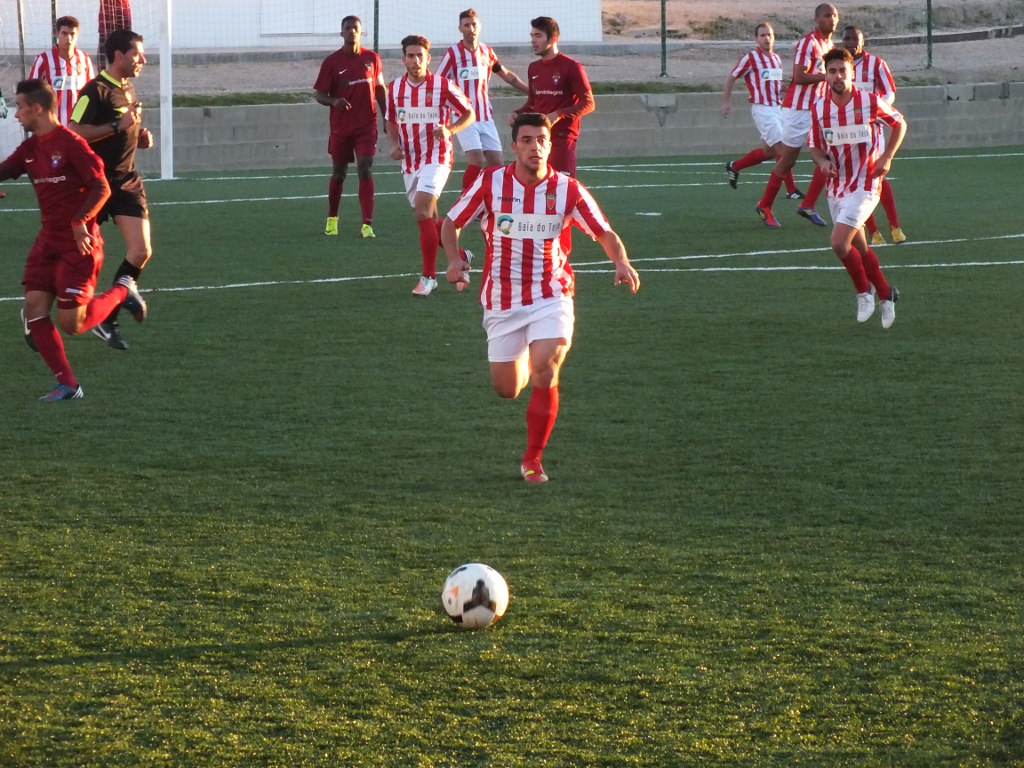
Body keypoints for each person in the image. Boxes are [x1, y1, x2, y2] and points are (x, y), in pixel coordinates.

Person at [440, 113, 640, 483]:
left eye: (542, 140)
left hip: (552, 293)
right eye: (527, 140)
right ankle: (522, 363)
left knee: (546, 368)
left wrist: (621, 261)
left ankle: (533, 459)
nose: (535, 147)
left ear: (550, 145)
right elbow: (451, 222)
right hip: (502, 299)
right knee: (506, 389)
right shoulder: (491, 183)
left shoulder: (568, 189)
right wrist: (453, 259)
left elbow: (603, 231)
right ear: (514, 146)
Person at [1, 79, 146, 401]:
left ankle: (123, 291)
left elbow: (101, 187)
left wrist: (81, 221)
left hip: (80, 245)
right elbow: (4, 169)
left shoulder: (71, 144)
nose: (16, 114)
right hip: (47, 242)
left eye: (20, 107)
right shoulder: (29, 149)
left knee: (72, 324)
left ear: (37, 109)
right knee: (34, 307)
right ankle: (68, 384)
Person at [809, 48, 906, 328]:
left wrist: (887, 157)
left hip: (866, 184)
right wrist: (822, 162)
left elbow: (899, 124)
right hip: (836, 187)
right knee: (859, 247)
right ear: (826, 76)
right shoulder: (819, 108)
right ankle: (886, 293)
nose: (838, 76)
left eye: (843, 70)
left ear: (852, 73)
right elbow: (814, 146)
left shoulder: (869, 101)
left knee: (839, 243)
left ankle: (864, 291)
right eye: (832, 71)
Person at [70, 28, 154, 351]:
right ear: (118, 56)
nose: (142, 59)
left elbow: (123, 129)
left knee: (141, 251)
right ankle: (34, 310)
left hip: (126, 181)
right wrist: (118, 126)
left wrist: (138, 137)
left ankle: (107, 319)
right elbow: (74, 131)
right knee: (72, 259)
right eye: (136, 54)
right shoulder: (95, 91)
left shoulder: (127, 88)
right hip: (94, 184)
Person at [385, 34, 475, 297]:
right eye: (410, 56)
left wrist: (450, 130)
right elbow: (391, 120)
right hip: (410, 161)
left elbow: (469, 112)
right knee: (430, 219)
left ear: (428, 58)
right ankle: (460, 255)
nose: (415, 60)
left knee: (423, 210)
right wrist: (393, 144)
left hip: (437, 156)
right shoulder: (394, 88)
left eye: (420, 56)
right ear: (403, 59)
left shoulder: (443, 86)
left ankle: (428, 278)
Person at [755, 3, 838, 228]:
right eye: (827, 15)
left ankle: (808, 204)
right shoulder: (807, 43)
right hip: (798, 109)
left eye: (835, 15)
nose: (832, 19)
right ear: (816, 19)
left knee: (829, 155)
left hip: (818, 109)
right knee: (788, 159)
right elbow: (799, 77)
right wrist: (826, 77)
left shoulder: (830, 45)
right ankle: (764, 205)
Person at [437, 9, 528, 193]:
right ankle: (465, 201)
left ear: (480, 26)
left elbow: (507, 75)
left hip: (485, 116)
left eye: (474, 24)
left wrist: (531, 91)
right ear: (460, 29)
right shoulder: (453, 53)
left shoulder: (487, 52)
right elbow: (438, 83)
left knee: (497, 163)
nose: (471, 28)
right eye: (466, 25)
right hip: (463, 117)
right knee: (476, 159)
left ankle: (492, 200)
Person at [314, 16, 386, 239]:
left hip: (366, 125)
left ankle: (367, 224)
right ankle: (332, 217)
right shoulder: (332, 62)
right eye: (348, 28)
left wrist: (388, 117)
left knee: (365, 167)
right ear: (341, 33)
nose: (352, 31)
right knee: (339, 173)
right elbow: (319, 94)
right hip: (341, 128)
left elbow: (380, 89)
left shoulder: (372, 58)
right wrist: (334, 101)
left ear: (361, 32)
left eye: (355, 28)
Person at [720, 22, 803, 199]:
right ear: (756, 39)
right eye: (763, 35)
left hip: (778, 108)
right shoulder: (751, 58)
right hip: (763, 110)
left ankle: (735, 166)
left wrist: (783, 88)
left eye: (769, 35)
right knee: (783, 150)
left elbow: (773, 82)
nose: (767, 38)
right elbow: (731, 77)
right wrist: (726, 102)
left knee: (769, 152)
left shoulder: (776, 59)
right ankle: (791, 190)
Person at [842, 25, 906, 244]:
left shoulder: (876, 64)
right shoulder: (839, 66)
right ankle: (873, 232)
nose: (851, 43)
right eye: (847, 39)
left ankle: (894, 226)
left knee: (877, 175)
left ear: (863, 42)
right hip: (846, 130)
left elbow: (889, 92)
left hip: (871, 129)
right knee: (855, 179)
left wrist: (876, 111)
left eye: (855, 39)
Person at [508, 17, 594, 178]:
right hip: (538, 139)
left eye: (538, 36)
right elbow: (532, 103)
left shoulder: (572, 67)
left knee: (561, 185)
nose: (533, 40)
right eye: (532, 36)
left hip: (562, 137)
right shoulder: (534, 68)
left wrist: (559, 114)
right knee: (536, 184)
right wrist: (517, 113)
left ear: (553, 39)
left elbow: (588, 103)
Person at [29, 16, 97, 128]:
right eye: (64, 33)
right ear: (57, 34)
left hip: (79, 125)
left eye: (72, 34)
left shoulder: (84, 58)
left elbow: (92, 90)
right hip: (52, 126)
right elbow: (30, 91)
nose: (68, 38)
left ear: (77, 35)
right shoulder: (44, 59)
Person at [97, 0, 133, 70]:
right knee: (104, 46)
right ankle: (102, 72)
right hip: (106, 16)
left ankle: (125, 70)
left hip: (123, 15)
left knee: (125, 45)